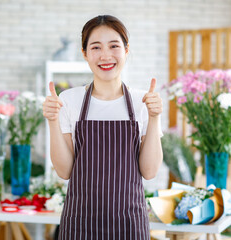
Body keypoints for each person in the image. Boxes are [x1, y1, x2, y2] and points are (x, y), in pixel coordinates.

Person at [43, 15, 163, 240]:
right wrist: (52, 121)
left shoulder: (143, 102)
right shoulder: (69, 100)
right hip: (80, 224)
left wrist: (154, 117)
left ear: (126, 50)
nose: (106, 55)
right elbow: (64, 171)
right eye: (96, 47)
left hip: (130, 224)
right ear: (85, 54)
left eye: (114, 46)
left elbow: (149, 171)